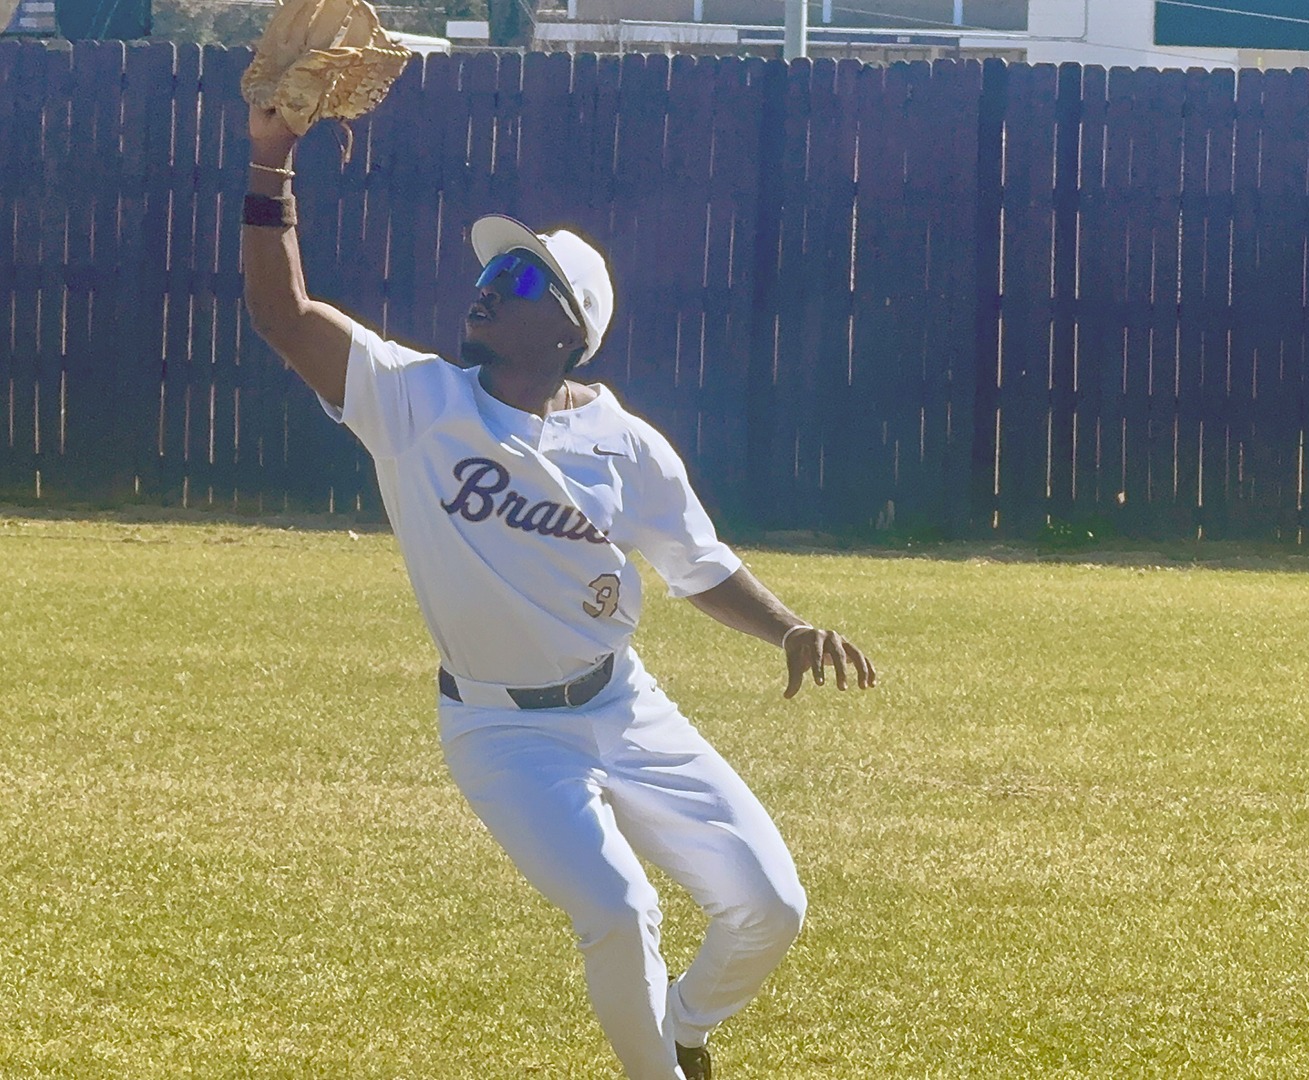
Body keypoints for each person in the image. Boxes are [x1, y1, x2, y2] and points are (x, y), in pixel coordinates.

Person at [239, 105, 877, 1080]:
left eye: (523, 275)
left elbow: (697, 564)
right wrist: (270, 163)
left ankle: (688, 1027)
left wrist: (788, 628)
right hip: (502, 732)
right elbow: (284, 314)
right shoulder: (416, 403)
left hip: (624, 704)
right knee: (620, 911)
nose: (493, 282)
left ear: (569, 330)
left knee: (770, 904)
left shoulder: (627, 445)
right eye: (494, 269)